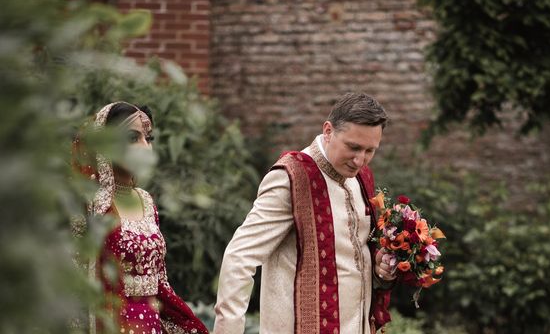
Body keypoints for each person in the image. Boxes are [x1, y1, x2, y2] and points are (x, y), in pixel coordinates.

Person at [213, 92, 395, 334]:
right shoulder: (291, 177)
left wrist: (381, 271)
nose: (360, 160)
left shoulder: (361, 178)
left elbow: (356, 259)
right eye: (353, 147)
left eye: (370, 151)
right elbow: (239, 258)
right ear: (328, 131)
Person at [73, 102, 208, 334]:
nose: (146, 148)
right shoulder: (90, 205)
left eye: (149, 138)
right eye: (132, 138)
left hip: (153, 325)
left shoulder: (146, 200)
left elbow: (160, 282)